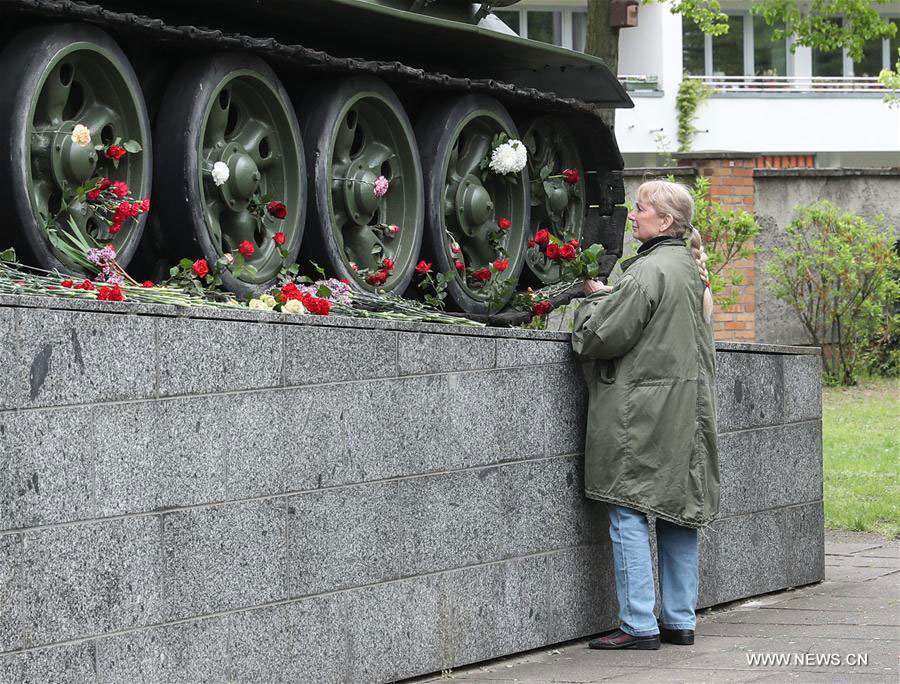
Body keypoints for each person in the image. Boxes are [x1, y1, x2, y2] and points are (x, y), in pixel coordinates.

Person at [571, 179, 720, 650]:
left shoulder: (648, 273)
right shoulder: (690, 270)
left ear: (665, 222)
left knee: (628, 507)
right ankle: (679, 621)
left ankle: (638, 625)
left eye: (640, 208)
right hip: (687, 412)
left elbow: (598, 339)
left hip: (643, 413)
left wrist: (594, 300)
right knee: (679, 510)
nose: (631, 215)